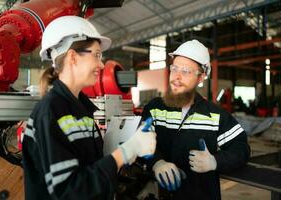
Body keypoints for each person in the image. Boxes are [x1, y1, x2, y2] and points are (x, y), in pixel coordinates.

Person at [22, 16, 156, 200]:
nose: (101, 64)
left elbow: (88, 170)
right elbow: (69, 192)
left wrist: (115, 151)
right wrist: (123, 153)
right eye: (97, 55)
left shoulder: (82, 110)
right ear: (73, 57)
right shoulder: (51, 112)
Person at [142, 40, 250, 200]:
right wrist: (157, 162)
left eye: (185, 71)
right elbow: (141, 141)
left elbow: (241, 149)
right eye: (174, 68)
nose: (176, 77)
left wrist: (215, 161)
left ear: (201, 77)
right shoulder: (155, 109)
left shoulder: (215, 115)